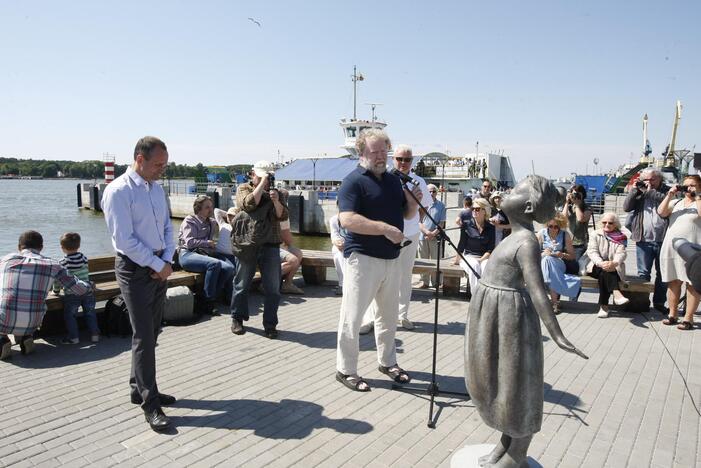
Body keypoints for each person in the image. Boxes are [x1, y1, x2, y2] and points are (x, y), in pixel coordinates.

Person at [465, 175, 587, 468]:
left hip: (510, 319)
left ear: (529, 207)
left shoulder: (527, 243)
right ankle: (505, 444)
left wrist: (556, 334)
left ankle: (517, 452)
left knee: (516, 381)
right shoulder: (515, 235)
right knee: (496, 379)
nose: (508, 192)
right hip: (493, 314)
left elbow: (537, 291)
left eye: (517, 191)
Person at [335, 128, 421, 392]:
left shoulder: (394, 181)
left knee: (388, 315)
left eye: (385, 150)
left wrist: (415, 202)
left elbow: (406, 215)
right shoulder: (353, 181)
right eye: (375, 151)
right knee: (353, 316)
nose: (381, 156)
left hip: (391, 258)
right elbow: (346, 219)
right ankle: (346, 369)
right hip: (363, 259)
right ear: (362, 153)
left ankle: (387, 362)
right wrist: (384, 228)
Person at [101, 136, 176, 432]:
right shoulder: (118, 191)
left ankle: (139, 388)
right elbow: (124, 241)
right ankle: (151, 403)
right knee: (144, 335)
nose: (162, 170)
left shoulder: (156, 190)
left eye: (165, 165)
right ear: (139, 159)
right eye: (158, 164)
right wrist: (159, 265)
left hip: (160, 266)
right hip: (136, 269)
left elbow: (169, 227)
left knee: (152, 331)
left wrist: (167, 260)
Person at [359, 144, 432, 334]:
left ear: (412, 161)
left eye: (407, 159)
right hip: (386, 235)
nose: (403, 163)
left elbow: (424, 208)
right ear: (393, 159)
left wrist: (414, 222)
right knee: (377, 277)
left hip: (410, 234)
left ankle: (402, 315)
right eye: (400, 159)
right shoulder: (383, 178)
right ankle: (370, 319)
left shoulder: (418, 181)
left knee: (404, 276)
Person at [1, 231, 91, 361]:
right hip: (34, 321)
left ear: (19, 247)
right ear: (41, 247)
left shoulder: (5, 260)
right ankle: (26, 336)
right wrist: (89, 284)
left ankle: (2, 339)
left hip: (3, 320)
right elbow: (80, 290)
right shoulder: (52, 264)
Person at [230, 160, 289, 339]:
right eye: (262, 175)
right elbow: (248, 204)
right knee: (242, 284)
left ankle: (270, 324)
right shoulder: (243, 188)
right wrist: (262, 184)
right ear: (252, 174)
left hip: (270, 244)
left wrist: (276, 201)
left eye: (268, 176)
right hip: (248, 243)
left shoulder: (277, 193)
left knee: (273, 288)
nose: (267, 179)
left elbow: (282, 215)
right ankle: (237, 318)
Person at [178, 195, 235, 315]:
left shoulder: (212, 223)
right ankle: (208, 301)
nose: (210, 209)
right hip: (188, 254)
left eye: (211, 206)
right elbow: (189, 242)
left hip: (204, 254)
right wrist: (207, 243)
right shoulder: (190, 221)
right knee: (214, 264)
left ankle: (215, 295)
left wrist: (232, 216)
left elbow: (218, 213)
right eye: (207, 207)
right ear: (198, 209)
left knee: (229, 268)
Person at [623, 167, 670, 312]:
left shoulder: (668, 191)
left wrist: (650, 192)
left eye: (652, 179)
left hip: (664, 239)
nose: (649, 183)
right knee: (643, 274)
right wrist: (634, 190)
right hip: (643, 239)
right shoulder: (639, 191)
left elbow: (667, 201)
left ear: (660, 178)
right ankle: (642, 302)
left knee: (663, 274)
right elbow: (626, 207)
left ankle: (659, 303)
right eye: (646, 180)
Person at [658, 175, 701, 330]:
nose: (688, 188)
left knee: (692, 284)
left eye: (692, 185)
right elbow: (661, 212)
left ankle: (688, 318)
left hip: (693, 249)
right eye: (686, 185)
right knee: (673, 281)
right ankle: (672, 314)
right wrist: (670, 195)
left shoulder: (699, 202)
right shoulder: (676, 202)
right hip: (672, 248)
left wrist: (697, 197)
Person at [54, 232, 100, 344]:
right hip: (87, 290)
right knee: (90, 313)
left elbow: (58, 279)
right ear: (78, 246)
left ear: (62, 248)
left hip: (71, 294)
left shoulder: (62, 262)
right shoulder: (83, 258)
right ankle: (95, 335)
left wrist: (56, 291)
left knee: (70, 315)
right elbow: (86, 272)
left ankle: (73, 337)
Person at [586, 212, 630, 318]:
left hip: (614, 267)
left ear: (615, 224)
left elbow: (622, 253)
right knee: (605, 270)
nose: (607, 225)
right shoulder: (595, 234)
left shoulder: (622, 237)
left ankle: (604, 307)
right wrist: (601, 263)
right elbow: (592, 251)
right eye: (604, 222)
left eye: (610, 223)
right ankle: (616, 293)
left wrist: (614, 263)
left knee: (605, 274)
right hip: (596, 265)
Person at [536, 213, 581, 314]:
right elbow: (533, 253)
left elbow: (572, 256)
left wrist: (561, 254)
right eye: (550, 226)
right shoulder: (541, 233)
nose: (553, 229)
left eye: (556, 227)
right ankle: (554, 303)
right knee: (548, 259)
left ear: (560, 226)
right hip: (543, 262)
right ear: (547, 225)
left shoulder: (565, 235)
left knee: (550, 261)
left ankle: (546, 282)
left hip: (559, 262)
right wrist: (543, 253)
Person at [453, 197, 495, 292]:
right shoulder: (466, 225)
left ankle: (486, 295)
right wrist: (457, 260)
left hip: (484, 257)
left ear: (485, 211)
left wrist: (481, 259)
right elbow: (461, 245)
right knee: (475, 265)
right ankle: (476, 297)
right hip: (469, 256)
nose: (474, 211)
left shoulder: (491, 228)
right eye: (473, 209)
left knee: (486, 267)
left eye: (477, 209)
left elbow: (490, 249)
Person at [418, 184, 446, 288]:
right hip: (422, 236)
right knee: (423, 260)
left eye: (434, 191)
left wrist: (433, 234)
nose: (431, 193)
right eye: (429, 191)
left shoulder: (441, 206)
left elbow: (441, 223)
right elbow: (418, 221)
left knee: (435, 260)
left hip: (435, 237)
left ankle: (436, 283)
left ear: (437, 192)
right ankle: (424, 282)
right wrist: (427, 232)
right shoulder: (420, 204)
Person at [278, 189, 304, 295]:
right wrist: (288, 245)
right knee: (294, 260)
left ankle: (287, 283)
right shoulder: (283, 213)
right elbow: (287, 238)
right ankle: (267, 282)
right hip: (271, 246)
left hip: (277, 246)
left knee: (298, 253)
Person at [561, 184, 592, 261]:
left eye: (578, 193)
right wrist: (567, 202)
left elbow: (581, 219)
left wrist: (577, 205)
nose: (576, 195)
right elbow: (563, 218)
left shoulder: (587, 207)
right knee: (565, 263)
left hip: (580, 243)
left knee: (575, 265)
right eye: (574, 193)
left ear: (583, 195)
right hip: (567, 241)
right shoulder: (569, 207)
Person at [329, 210, 346, 296]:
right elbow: (334, 235)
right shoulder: (334, 219)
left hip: (354, 245)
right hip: (341, 246)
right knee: (337, 252)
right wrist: (337, 242)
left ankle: (345, 284)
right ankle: (342, 284)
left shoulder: (355, 218)